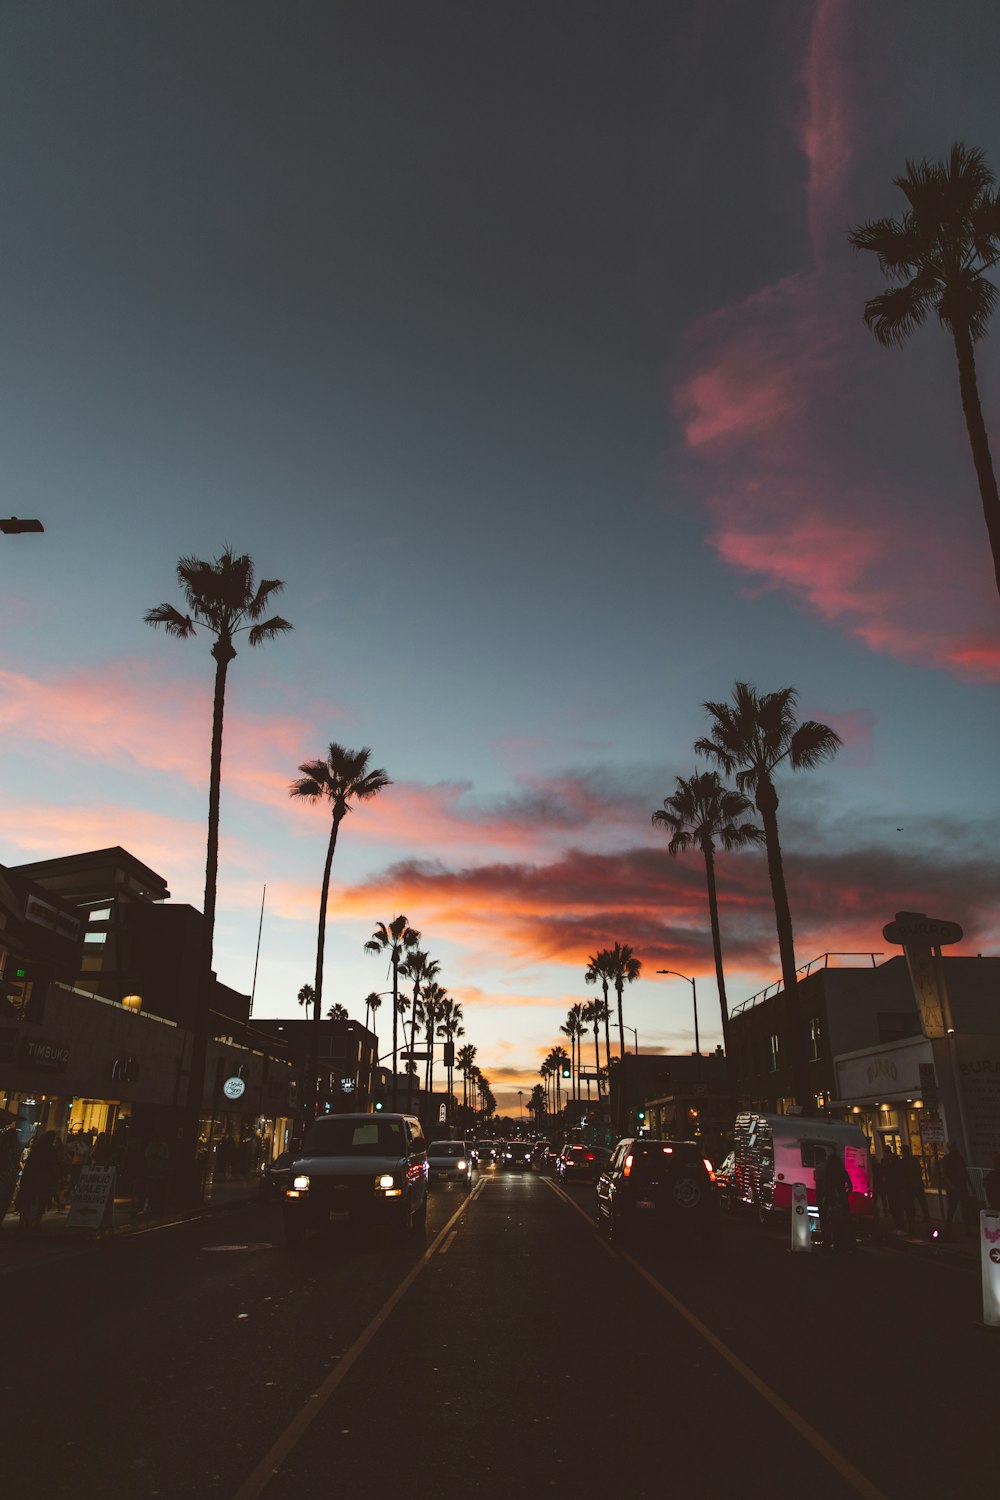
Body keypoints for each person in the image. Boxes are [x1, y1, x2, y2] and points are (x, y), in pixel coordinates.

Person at [14, 1131, 60, 1233]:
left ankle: (23, 1221)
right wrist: (56, 1179)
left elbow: (29, 1165)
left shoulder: (36, 1149)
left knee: (27, 1199)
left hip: (32, 1176)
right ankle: (36, 1222)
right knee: (41, 1200)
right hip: (44, 1177)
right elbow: (54, 1166)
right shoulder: (52, 1150)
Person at [942, 1140, 975, 1234]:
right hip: (954, 1187)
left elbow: (965, 1173)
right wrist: (951, 1185)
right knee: (952, 1208)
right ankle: (948, 1227)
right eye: (953, 1146)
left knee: (965, 1208)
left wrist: (971, 1186)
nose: (955, 1148)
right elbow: (944, 1174)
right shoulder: (947, 1159)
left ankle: (967, 1228)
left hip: (961, 1186)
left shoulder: (960, 1158)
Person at [899, 1145, 929, 1224]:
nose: (901, 1152)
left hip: (910, 1184)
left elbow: (903, 1174)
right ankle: (926, 1215)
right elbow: (919, 1170)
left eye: (901, 1150)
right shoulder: (914, 1159)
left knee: (910, 1202)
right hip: (918, 1183)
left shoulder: (904, 1161)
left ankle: (912, 1217)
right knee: (922, 1201)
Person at [0, 1125, 22, 1229]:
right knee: (5, 1200)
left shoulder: (5, 1148)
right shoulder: (15, 1149)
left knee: (4, 1199)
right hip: (8, 1176)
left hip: (6, 1175)